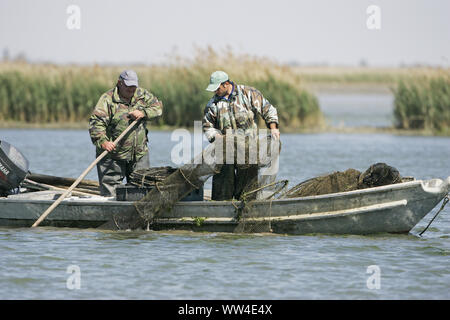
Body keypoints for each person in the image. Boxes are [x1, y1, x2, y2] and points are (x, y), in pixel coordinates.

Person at [202, 71, 280, 201]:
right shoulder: (212, 104)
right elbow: (207, 126)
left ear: (226, 84)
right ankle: (220, 209)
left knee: (247, 190)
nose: (215, 91)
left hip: (249, 148)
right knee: (222, 186)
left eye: (217, 88)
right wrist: (217, 137)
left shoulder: (248, 93)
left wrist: (273, 128)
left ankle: (245, 209)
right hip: (225, 150)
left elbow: (268, 110)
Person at [89, 70, 163, 197]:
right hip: (113, 156)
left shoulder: (142, 95)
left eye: (134, 86)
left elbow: (158, 107)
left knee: (141, 192)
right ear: (119, 83)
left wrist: (144, 113)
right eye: (128, 86)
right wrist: (103, 141)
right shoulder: (107, 100)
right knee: (110, 194)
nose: (131, 90)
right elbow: (96, 123)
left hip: (139, 155)